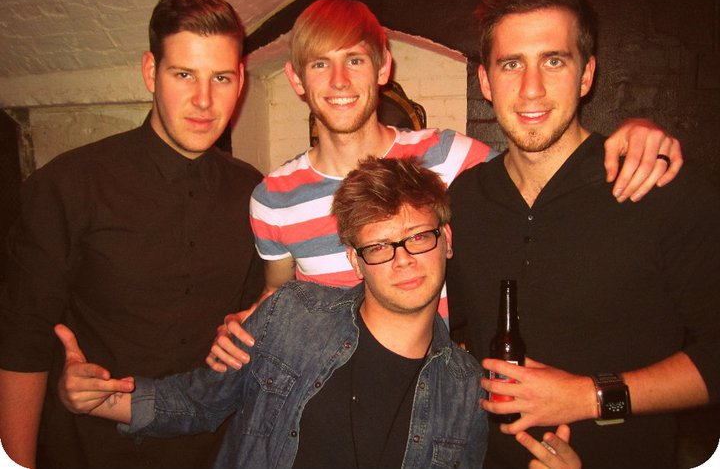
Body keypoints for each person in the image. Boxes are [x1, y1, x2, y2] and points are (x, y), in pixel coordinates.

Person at [207, 0, 682, 373]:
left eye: (354, 60)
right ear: (295, 79)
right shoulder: (272, 198)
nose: (339, 81)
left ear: (383, 67)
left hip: (433, 399)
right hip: (326, 396)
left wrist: (635, 131)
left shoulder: (447, 157)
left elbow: (541, 167)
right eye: (319, 65)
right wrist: (244, 330)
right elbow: (279, 294)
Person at [445, 0, 720, 468]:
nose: (531, 88)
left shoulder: (657, 187)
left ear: (587, 73)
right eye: (511, 64)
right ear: (485, 80)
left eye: (554, 61)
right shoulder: (466, 200)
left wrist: (588, 396)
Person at [54, 157, 488, 469]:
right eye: (379, 246)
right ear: (355, 261)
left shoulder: (468, 389)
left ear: (446, 240)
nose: (403, 259)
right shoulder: (294, 314)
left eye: (419, 237)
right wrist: (100, 398)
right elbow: (197, 402)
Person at [0, 0, 264, 469]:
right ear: (150, 72)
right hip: (93, 449)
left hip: (215, 450)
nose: (204, 100)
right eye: (183, 74)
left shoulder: (253, 190)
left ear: (240, 81)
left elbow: (253, 316)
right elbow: (22, 341)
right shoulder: (68, 185)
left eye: (221, 78)